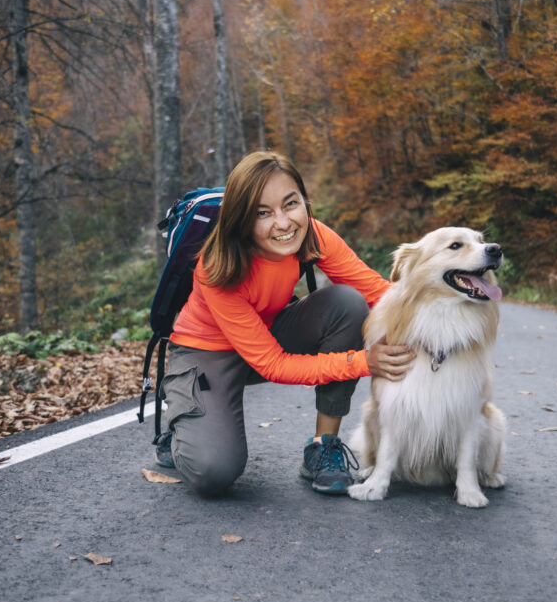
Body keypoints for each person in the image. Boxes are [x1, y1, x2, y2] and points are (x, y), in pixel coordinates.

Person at [155, 151, 415, 496]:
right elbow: (273, 365)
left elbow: (379, 294)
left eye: (290, 204)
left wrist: (441, 318)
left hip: (268, 333)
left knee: (347, 303)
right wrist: (363, 362)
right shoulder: (215, 267)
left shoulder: (314, 236)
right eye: (262, 213)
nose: (283, 223)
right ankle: (182, 428)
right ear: (241, 220)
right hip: (206, 354)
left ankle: (324, 446)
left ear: (305, 202)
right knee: (212, 473)